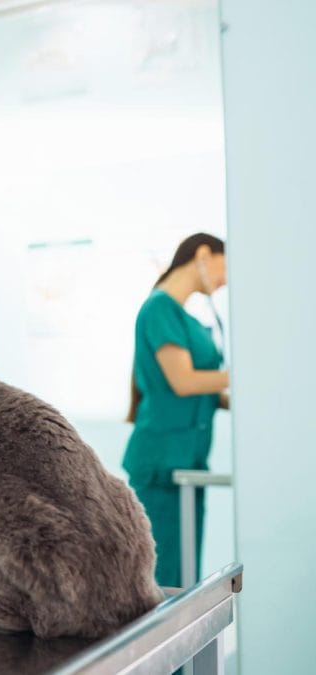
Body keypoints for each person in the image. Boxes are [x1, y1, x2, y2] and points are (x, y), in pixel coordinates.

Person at [123, 233, 229, 588]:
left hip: (190, 463)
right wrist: (243, 376)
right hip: (161, 464)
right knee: (162, 581)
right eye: (224, 266)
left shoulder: (188, 320)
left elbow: (203, 393)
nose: (225, 279)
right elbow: (183, 381)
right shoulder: (159, 309)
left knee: (186, 579)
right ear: (203, 254)